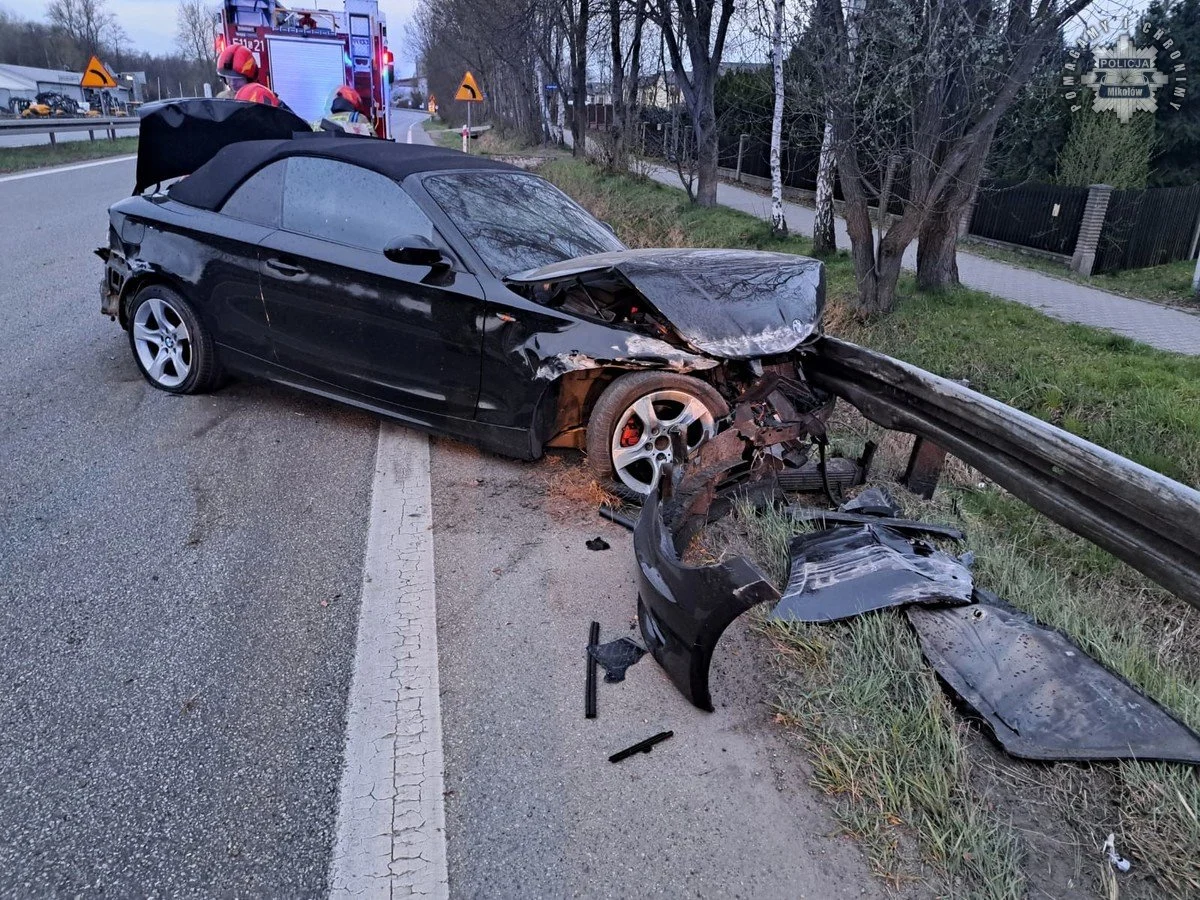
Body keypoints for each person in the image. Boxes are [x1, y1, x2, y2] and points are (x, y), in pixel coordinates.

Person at [216, 45, 280, 106]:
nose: (232, 83)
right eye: (229, 78)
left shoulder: (262, 99)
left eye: (237, 79)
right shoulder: (222, 99)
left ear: (249, 79)